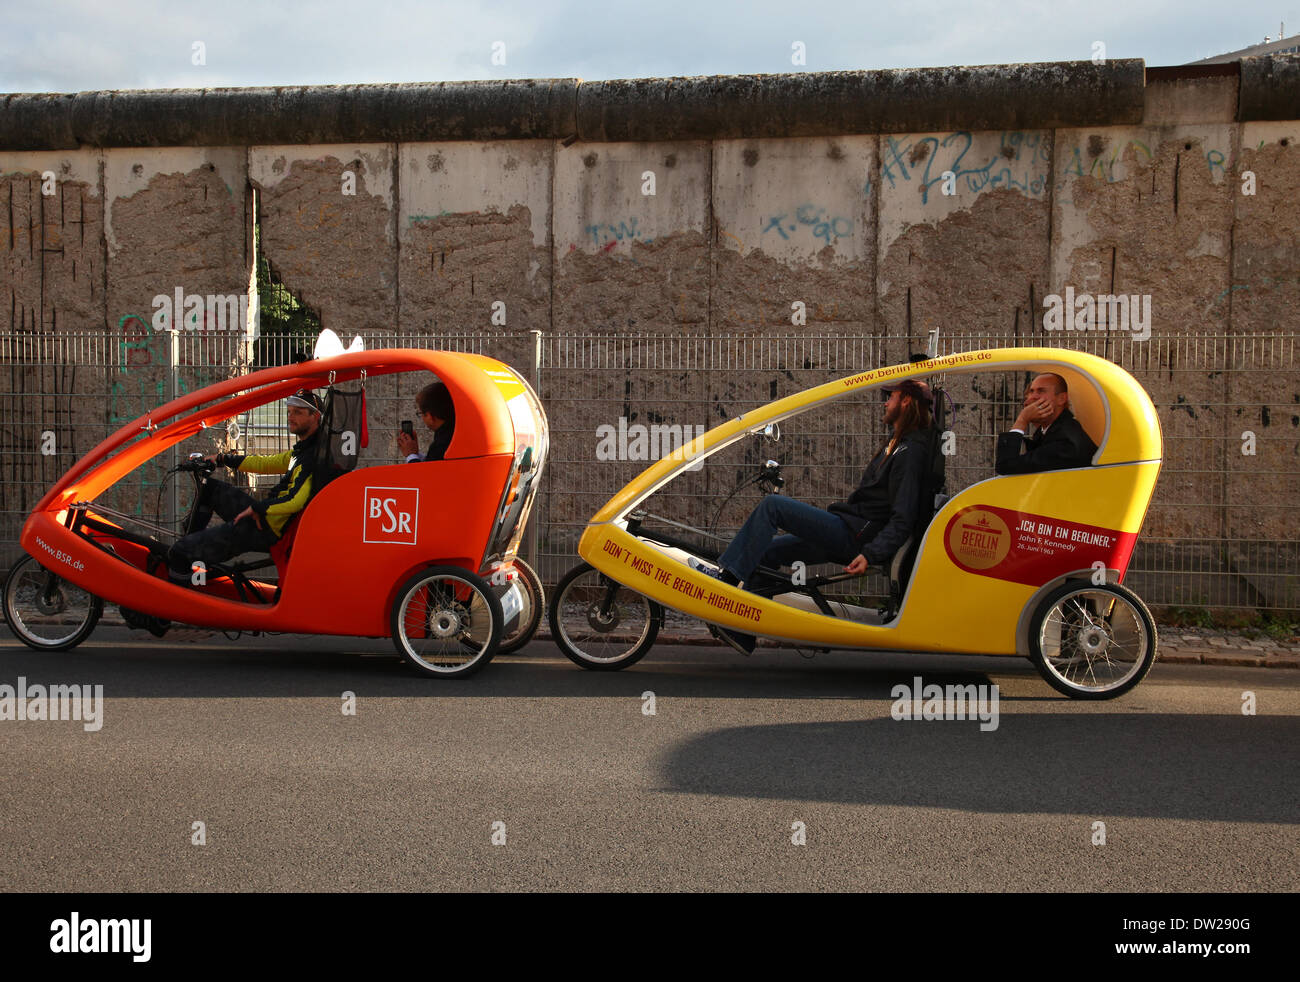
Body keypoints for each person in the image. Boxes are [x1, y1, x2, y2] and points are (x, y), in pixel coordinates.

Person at [709, 378, 934, 654]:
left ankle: (726, 585)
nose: (885, 402)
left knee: (773, 506)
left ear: (906, 401)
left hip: (855, 537)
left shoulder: (910, 453)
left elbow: (904, 517)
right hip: (851, 528)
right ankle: (743, 631)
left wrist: (871, 554)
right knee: (766, 553)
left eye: (891, 396)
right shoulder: (897, 444)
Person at [165, 389, 328, 586]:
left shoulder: (312, 458)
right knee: (211, 489)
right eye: (289, 412)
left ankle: (183, 583)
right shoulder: (303, 450)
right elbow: (266, 464)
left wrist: (258, 508)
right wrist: (223, 458)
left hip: (267, 529)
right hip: (266, 518)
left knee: (180, 552)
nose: (290, 417)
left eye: (298, 413)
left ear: (316, 417)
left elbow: (295, 500)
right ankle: (195, 550)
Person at [995, 373, 1097, 474]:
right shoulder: (1051, 429)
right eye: (1031, 391)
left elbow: (1006, 466)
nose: (1032, 397)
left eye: (1041, 391)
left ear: (1061, 399)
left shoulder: (1065, 441)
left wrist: (1022, 420)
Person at [397, 381, 455, 463]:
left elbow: (425, 474)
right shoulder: (453, 432)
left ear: (429, 416)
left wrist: (410, 455)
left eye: (420, 414)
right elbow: (433, 462)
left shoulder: (442, 444)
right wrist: (415, 454)